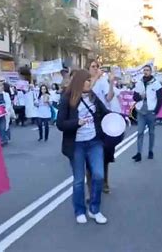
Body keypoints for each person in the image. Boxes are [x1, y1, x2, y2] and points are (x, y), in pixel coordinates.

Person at [56, 69, 109, 224]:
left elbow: (105, 113)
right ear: (80, 82)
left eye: (90, 80)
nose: (90, 83)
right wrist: (76, 123)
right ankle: (79, 210)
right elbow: (60, 124)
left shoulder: (93, 97)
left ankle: (94, 209)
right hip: (76, 145)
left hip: (94, 142)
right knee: (79, 180)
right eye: (87, 80)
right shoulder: (67, 98)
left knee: (98, 175)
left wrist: (119, 118)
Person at [88, 60, 121, 193]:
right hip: (89, 120)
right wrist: (95, 78)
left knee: (106, 152)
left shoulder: (103, 82)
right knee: (90, 153)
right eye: (93, 67)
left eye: (98, 67)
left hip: (104, 119)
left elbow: (109, 97)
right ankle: (92, 186)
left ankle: (105, 181)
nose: (96, 69)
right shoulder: (86, 81)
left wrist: (111, 83)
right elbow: (87, 90)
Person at [131, 65, 162, 162]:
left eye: (147, 70)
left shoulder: (156, 83)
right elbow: (134, 98)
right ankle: (139, 153)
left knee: (151, 132)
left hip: (151, 111)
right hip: (141, 110)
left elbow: (160, 98)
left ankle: (150, 151)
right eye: (144, 70)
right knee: (140, 132)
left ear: (151, 72)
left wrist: (156, 111)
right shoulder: (139, 83)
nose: (145, 72)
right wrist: (140, 97)